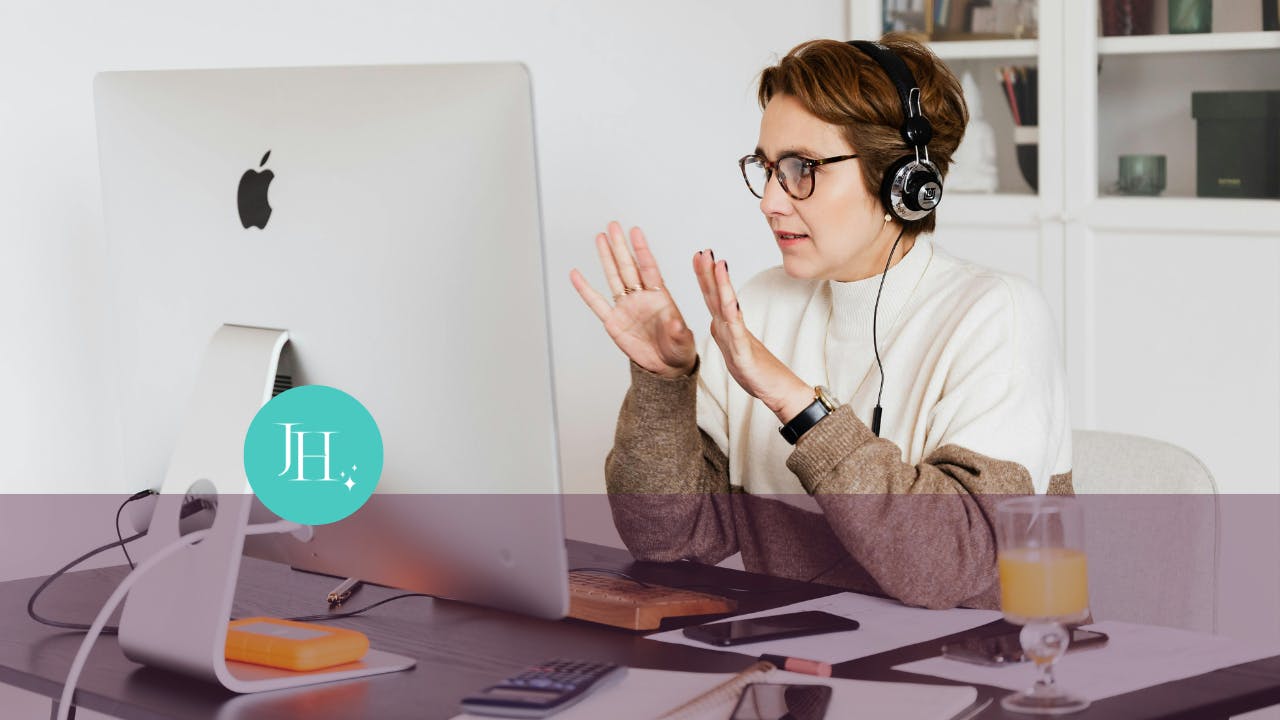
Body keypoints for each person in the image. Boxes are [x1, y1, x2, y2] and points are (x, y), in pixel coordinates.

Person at [568, 35, 1072, 610]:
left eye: (801, 168)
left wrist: (796, 403)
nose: (770, 201)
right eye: (766, 168)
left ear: (901, 179)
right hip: (808, 679)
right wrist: (662, 383)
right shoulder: (758, 305)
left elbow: (948, 570)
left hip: (983, 682)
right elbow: (668, 539)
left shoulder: (996, 315)